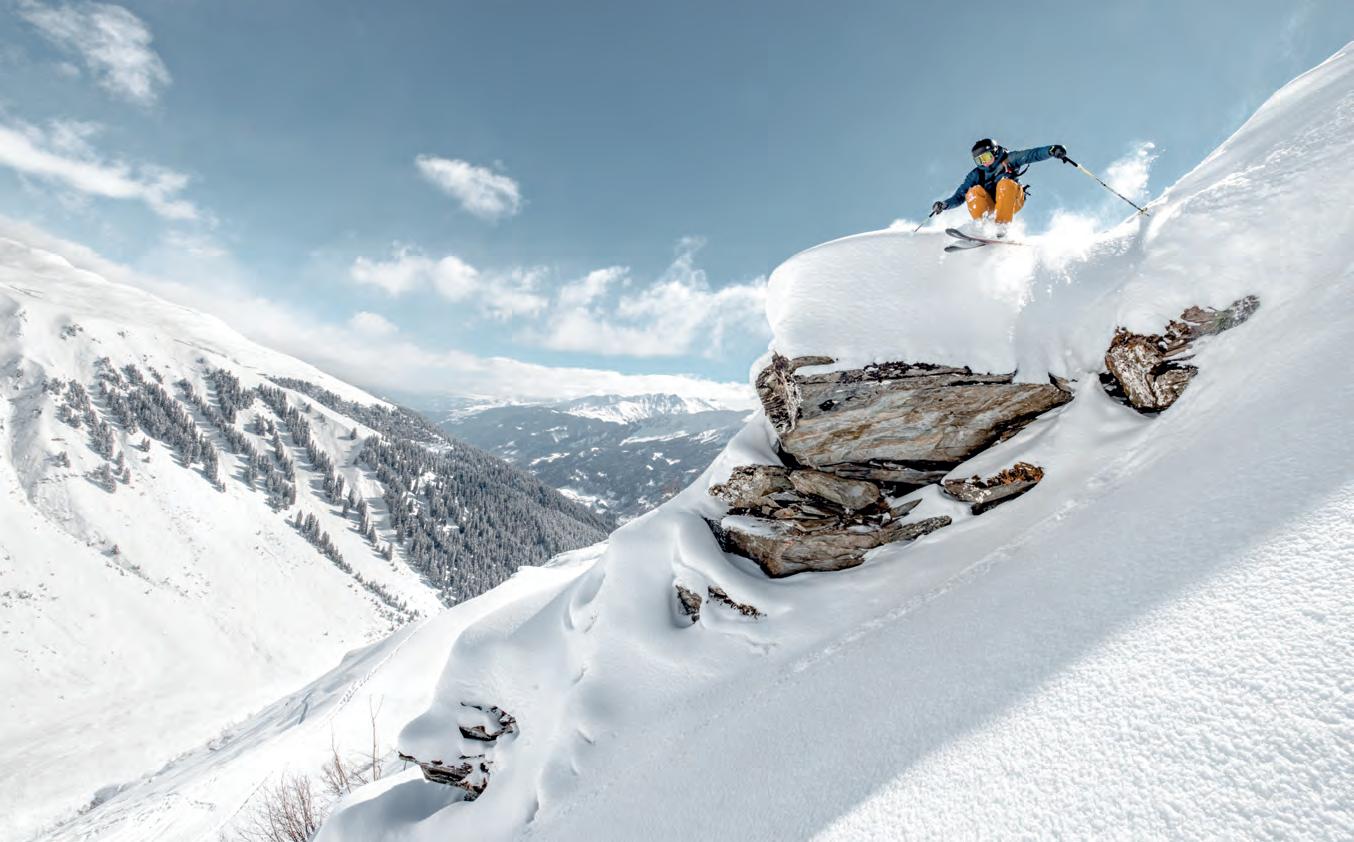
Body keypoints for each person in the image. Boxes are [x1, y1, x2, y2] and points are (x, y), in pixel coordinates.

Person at [931, 139, 1068, 225]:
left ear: (995, 152)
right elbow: (960, 195)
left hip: (1013, 199)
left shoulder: (1010, 159)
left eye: (986, 157)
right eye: (979, 160)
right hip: (992, 204)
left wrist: (1051, 150)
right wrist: (944, 205)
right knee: (972, 192)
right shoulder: (977, 174)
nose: (984, 163)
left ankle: (1001, 225)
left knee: (1005, 183)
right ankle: (983, 227)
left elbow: (1032, 154)